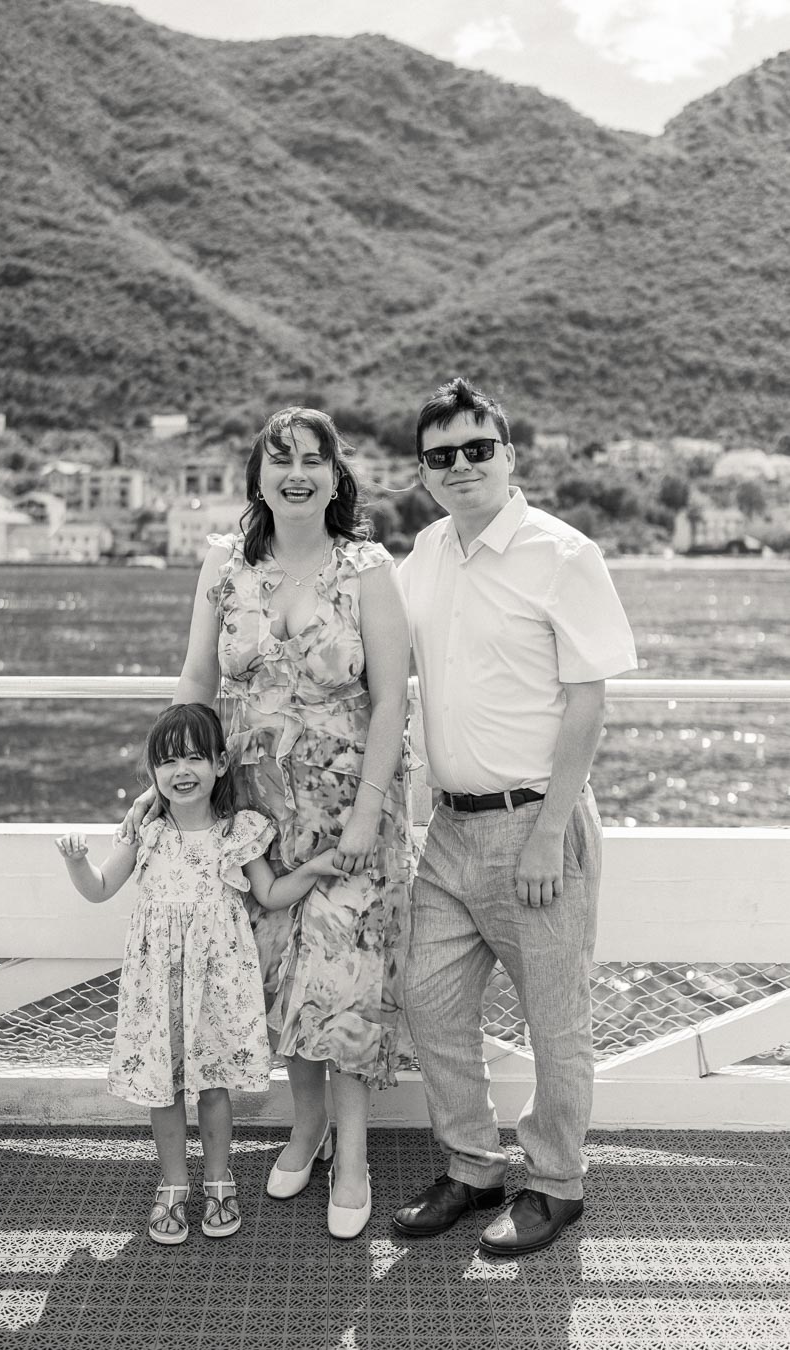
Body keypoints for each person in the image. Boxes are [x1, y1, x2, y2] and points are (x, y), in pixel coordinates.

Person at [125, 407, 413, 1239]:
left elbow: (393, 697)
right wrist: (165, 787)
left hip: (349, 812)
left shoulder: (366, 566)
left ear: (334, 475)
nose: (296, 472)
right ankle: (306, 1124)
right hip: (251, 812)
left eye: (313, 460)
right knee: (280, 975)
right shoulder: (223, 564)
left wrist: (366, 814)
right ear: (256, 473)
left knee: (344, 981)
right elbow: (195, 679)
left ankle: (351, 1159)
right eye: (279, 457)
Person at [393, 377, 637, 1257]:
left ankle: (556, 1183)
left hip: (538, 822)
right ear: (424, 471)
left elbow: (588, 704)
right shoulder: (422, 553)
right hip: (447, 832)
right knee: (427, 1004)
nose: (461, 467)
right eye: (441, 456)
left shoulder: (562, 554)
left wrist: (548, 831)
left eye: (477, 449)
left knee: (556, 1021)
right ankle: (470, 1166)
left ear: (508, 453)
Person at [56, 702, 342, 1246]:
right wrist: (76, 863)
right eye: (167, 761)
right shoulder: (148, 832)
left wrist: (313, 868)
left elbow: (270, 893)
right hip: (155, 982)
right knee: (163, 1090)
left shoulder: (237, 832)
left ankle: (218, 1179)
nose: (180, 770)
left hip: (217, 981)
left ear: (218, 764)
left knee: (212, 1087)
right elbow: (99, 888)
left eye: (193, 757)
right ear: (152, 773)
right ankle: (173, 1186)